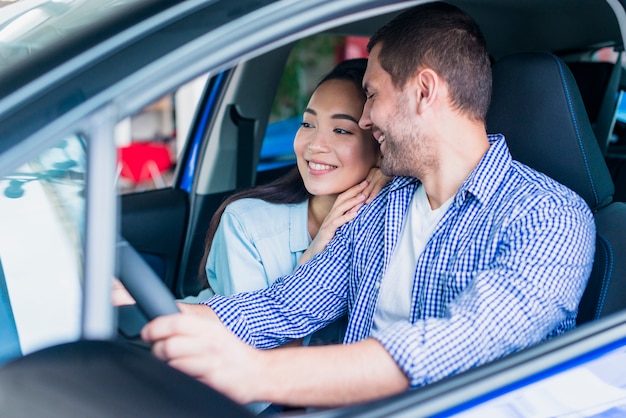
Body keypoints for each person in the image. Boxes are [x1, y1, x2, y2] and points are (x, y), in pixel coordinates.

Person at [141, 2, 596, 409]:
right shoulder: (381, 206)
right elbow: (282, 307)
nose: (364, 118)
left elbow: (463, 343)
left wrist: (257, 375)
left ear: (424, 91)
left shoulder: (549, 216)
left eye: (373, 95)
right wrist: (149, 306)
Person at [184, 58, 386, 302]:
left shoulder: (398, 221)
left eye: (341, 130)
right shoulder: (247, 225)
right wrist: (311, 259)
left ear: (381, 144)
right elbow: (256, 338)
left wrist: (387, 171)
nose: (315, 145)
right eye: (308, 124)